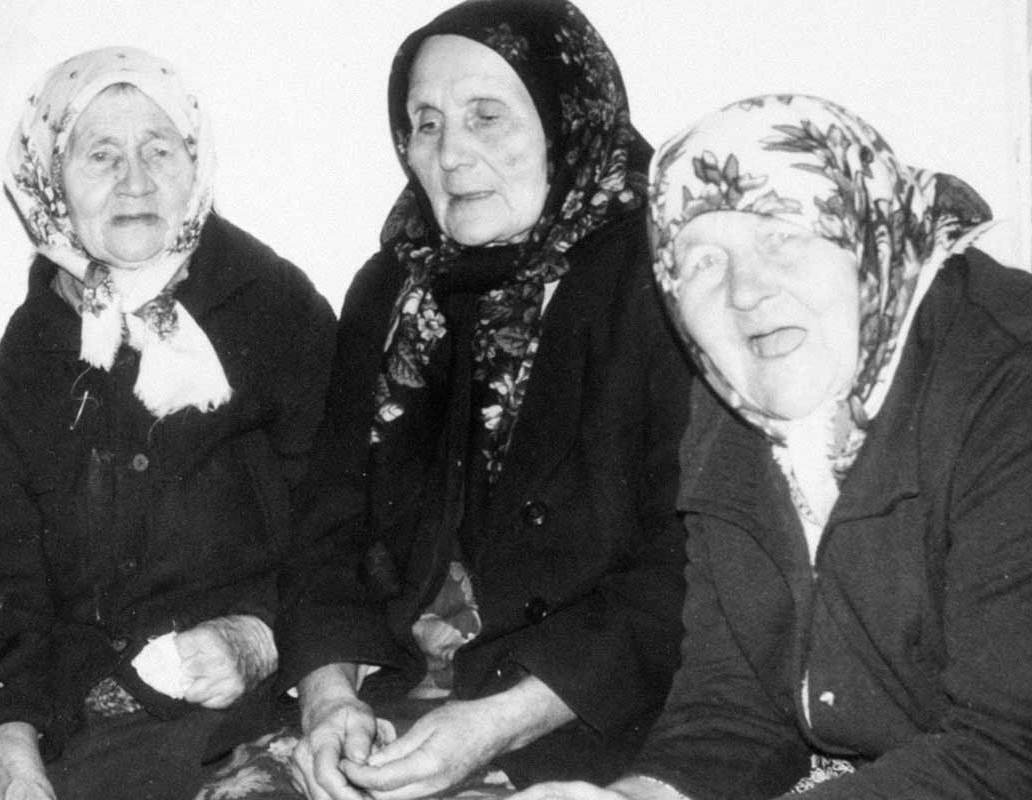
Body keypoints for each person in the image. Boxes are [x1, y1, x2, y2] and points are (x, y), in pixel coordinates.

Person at [509, 95, 1032, 800]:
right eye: (701, 262)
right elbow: (734, 710)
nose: (747, 292)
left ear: (868, 231)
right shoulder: (735, 406)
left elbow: (1022, 758)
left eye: (784, 235)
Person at [198, 2, 693, 798]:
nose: (451, 154)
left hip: (578, 712)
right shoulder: (393, 288)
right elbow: (330, 523)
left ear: (569, 119)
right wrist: (329, 698)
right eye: (425, 124)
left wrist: (498, 722)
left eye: (486, 117)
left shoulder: (662, 284)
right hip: (395, 694)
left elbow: (682, 566)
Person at [0, 47, 335, 800]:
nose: (136, 181)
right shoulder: (31, 354)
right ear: (50, 180)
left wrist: (260, 634)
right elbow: (7, 581)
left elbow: (342, 525)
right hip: (72, 711)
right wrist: (7, 744)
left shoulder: (274, 309)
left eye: (159, 150)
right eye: (101, 155)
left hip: (242, 703)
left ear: (196, 161)